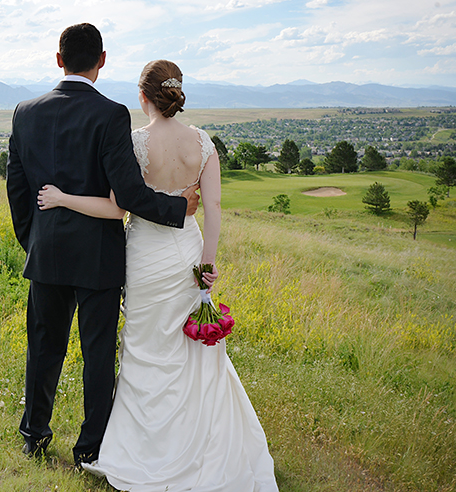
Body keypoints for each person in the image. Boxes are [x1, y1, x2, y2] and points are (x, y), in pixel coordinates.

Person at [36, 60, 278, 491]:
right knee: (189, 352)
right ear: (176, 93)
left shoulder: (134, 143)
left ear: (143, 96)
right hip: (186, 253)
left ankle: (141, 446)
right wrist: (207, 263)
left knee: (145, 347)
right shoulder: (203, 143)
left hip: (145, 257)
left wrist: (62, 198)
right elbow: (214, 208)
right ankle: (199, 440)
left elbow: (116, 208)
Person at [6, 24, 199, 467]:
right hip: (99, 256)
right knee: (97, 355)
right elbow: (128, 195)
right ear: (103, 60)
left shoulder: (25, 112)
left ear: (59, 59)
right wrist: (177, 209)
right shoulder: (112, 115)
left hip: (48, 252)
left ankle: (34, 436)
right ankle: (90, 448)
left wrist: (32, 239)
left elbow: (18, 190)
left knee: (43, 348)